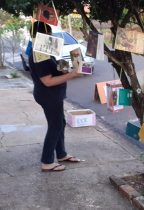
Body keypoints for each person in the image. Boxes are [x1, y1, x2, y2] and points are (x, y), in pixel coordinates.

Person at [29, 21, 81, 172]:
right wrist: (72, 74)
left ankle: (61, 153)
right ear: (41, 35)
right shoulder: (38, 55)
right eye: (48, 34)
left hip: (53, 95)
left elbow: (54, 64)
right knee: (55, 125)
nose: (50, 36)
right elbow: (48, 81)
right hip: (48, 95)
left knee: (60, 123)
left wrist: (69, 67)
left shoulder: (44, 48)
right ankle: (47, 162)